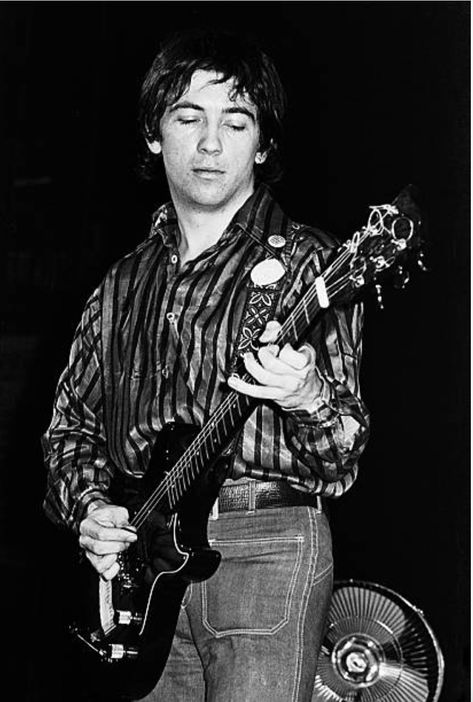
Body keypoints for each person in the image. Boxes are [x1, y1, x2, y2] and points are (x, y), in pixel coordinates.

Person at [42, 29, 370, 702]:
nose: (211, 143)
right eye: (188, 118)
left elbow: (343, 458)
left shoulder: (312, 265)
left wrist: (307, 393)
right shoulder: (119, 285)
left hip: (267, 543)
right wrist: (93, 509)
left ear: (263, 144)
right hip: (140, 571)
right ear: (153, 136)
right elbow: (68, 429)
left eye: (236, 121)